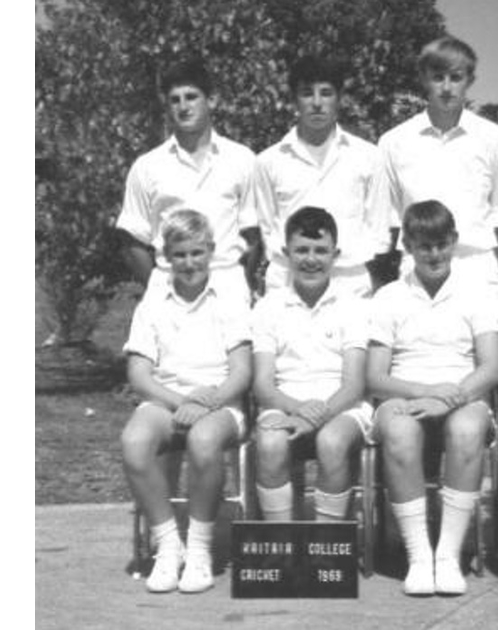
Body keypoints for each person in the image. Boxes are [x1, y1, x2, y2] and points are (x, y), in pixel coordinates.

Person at [365, 200, 498, 596]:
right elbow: (375, 377)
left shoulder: (477, 293)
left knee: (465, 429)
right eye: (423, 246)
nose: (434, 254)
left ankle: (448, 553)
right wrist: (426, 393)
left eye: (442, 244)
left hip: (463, 395)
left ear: (455, 242)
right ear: (406, 246)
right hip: (405, 394)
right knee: (400, 431)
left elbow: (492, 368)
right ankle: (419, 554)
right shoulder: (389, 297)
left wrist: (452, 397)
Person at [119, 210, 253, 594]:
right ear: (165, 257)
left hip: (220, 404)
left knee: (204, 440)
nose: (189, 263)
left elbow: (241, 373)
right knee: (134, 442)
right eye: (180, 255)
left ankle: (198, 549)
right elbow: (140, 376)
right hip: (168, 400)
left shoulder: (230, 300)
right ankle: (168, 545)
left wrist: (207, 403)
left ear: (211, 251)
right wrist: (181, 403)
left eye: (197, 253)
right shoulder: (153, 304)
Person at [251, 207, 373, 523]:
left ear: (336, 254)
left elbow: (354, 385)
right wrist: (298, 410)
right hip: (285, 404)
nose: (311, 259)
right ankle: (283, 544)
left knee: (331, 442)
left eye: (321, 251)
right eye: (302, 250)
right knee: (269, 440)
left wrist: (317, 416)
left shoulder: (354, 307)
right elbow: (263, 385)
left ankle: (325, 546)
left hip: (343, 407)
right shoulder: (268, 307)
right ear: (285, 253)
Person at [116, 57, 260, 307]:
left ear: (211, 100)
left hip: (230, 295)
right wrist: (160, 290)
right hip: (171, 296)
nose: (183, 106)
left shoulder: (242, 159)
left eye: (191, 97)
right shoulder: (147, 167)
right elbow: (132, 240)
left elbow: (254, 233)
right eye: (175, 100)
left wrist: (241, 283)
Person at [378, 36, 498, 285]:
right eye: (437, 77)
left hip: (477, 267)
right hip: (415, 269)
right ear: (423, 79)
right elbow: (391, 220)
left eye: (455, 77)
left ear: (470, 81)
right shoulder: (393, 142)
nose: (446, 87)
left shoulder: (496, 138)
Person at [253, 56, 392, 298]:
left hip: (350, 285)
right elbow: (267, 229)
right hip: (286, 285)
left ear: (340, 98)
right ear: (294, 100)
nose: (317, 103)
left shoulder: (369, 157)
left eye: (326, 93)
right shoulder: (268, 161)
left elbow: (379, 230)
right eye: (307, 93)